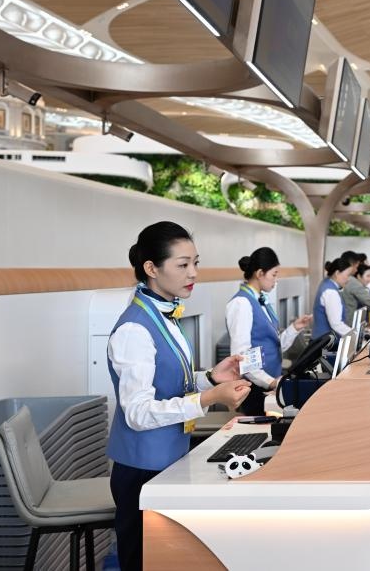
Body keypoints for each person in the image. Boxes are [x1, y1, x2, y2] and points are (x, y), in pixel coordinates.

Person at [107, 222, 252, 570]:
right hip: (142, 469)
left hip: (169, 458)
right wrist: (209, 398)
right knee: (144, 562)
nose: (193, 273)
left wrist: (210, 378)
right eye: (183, 264)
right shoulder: (134, 329)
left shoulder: (164, 313)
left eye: (195, 263)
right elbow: (138, 413)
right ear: (152, 268)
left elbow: (168, 382)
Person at [226, 247, 312, 414]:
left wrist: (294, 328)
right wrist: (270, 382)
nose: (276, 280)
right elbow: (241, 357)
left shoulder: (260, 301)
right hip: (254, 388)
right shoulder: (241, 304)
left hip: (268, 384)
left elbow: (274, 345)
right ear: (260, 273)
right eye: (274, 274)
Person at [312, 258, 355, 344]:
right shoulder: (330, 292)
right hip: (325, 344)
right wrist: (356, 335)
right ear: (337, 273)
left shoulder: (326, 283)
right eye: (347, 275)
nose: (348, 279)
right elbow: (337, 324)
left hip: (322, 341)